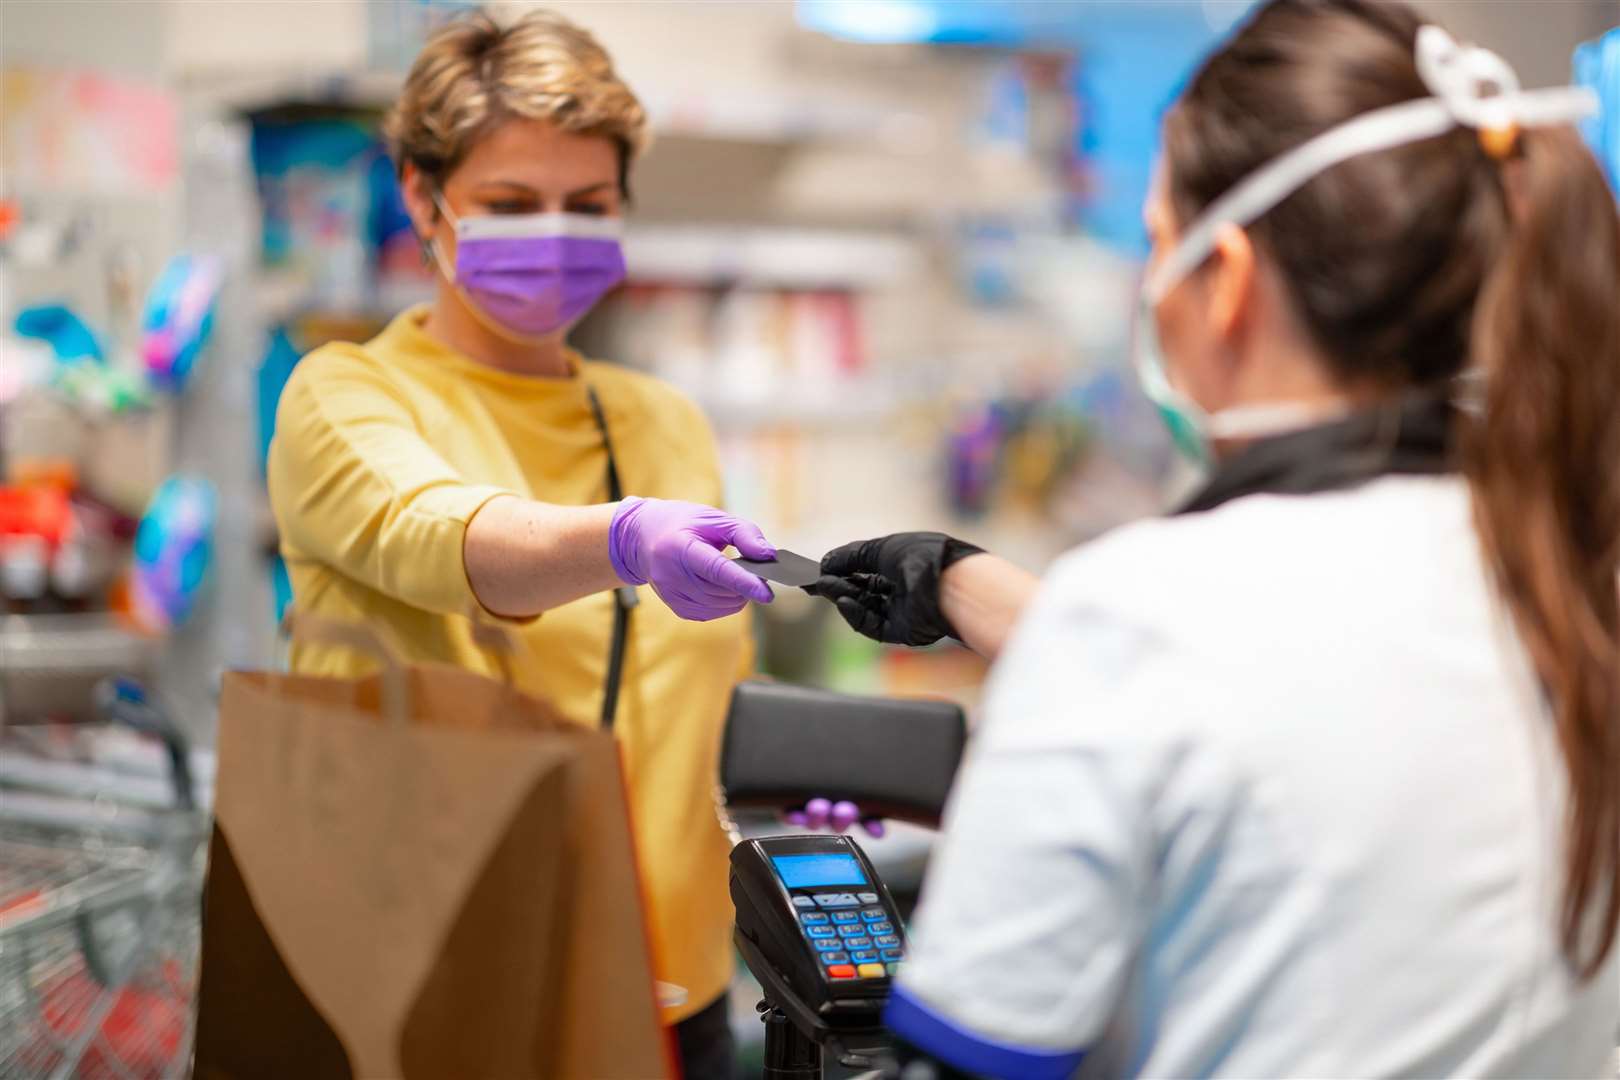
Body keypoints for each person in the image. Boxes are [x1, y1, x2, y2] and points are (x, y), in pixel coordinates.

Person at [816, 1, 1620, 1075]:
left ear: (1228, 279)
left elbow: (985, 1054)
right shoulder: (1569, 573)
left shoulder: (1138, 619)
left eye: (1158, 243)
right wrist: (973, 588)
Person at [266, 11, 776, 1075]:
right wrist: (624, 539)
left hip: (669, 990)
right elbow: (439, 533)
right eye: (509, 205)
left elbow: (695, 693)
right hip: (432, 998)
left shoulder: (663, 422)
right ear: (421, 197)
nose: (552, 233)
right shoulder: (348, 396)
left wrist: (771, 799)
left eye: (587, 206)